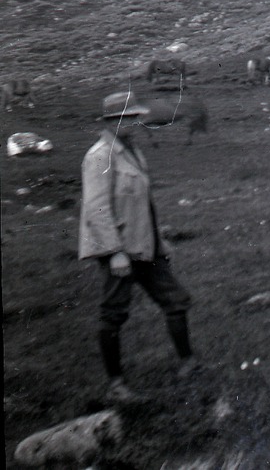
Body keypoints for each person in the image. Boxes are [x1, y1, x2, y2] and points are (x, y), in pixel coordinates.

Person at [80, 91, 197, 403]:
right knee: (113, 313)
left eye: (136, 116)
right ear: (113, 122)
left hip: (146, 245)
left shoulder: (132, 152)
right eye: (130, 118)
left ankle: (189, 363)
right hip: (118, 250)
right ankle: (116, 384)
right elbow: (97, 210)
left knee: (176, 300)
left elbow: (143, 203)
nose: (137, 122)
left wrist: (160, 240)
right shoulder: (99, 156)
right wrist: (115, 252)